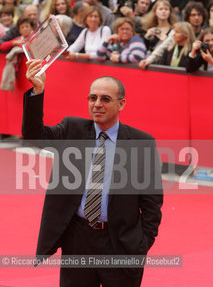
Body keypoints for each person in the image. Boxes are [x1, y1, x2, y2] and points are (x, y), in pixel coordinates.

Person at [22, 62, 163, 287]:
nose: (97, 104)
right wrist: (38, 91)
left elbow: (152, 201)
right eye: (92, 98)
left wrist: (142, 243)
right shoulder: (72, 129)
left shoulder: (141, 143)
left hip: (120, 244)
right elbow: (34, 135)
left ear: (122, 104)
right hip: (78, 239)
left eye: (105, 99)